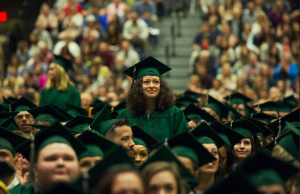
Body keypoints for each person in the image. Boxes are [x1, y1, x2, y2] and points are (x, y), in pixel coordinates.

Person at [117, 57, 189, 142]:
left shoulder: (175, 114)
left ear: (161, 86)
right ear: (138, 87)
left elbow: (183, 144)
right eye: (146, 82)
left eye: (156, 82)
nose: (152, 85)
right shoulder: (125, 115)